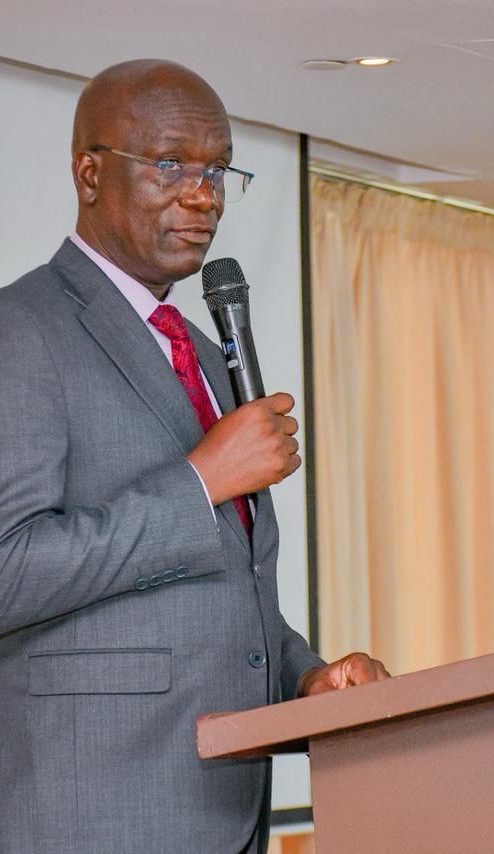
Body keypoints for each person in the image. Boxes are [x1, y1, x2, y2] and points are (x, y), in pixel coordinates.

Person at [0, 59, 389, 854]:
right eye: (171, 164)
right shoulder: (23, 330)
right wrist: (201, 480)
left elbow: (221, 599)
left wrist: (306, 678)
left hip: (225, 814)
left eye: (217, 170)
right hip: (90, 821)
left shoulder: (207, 357)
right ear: (89, 173)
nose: (202, 195)